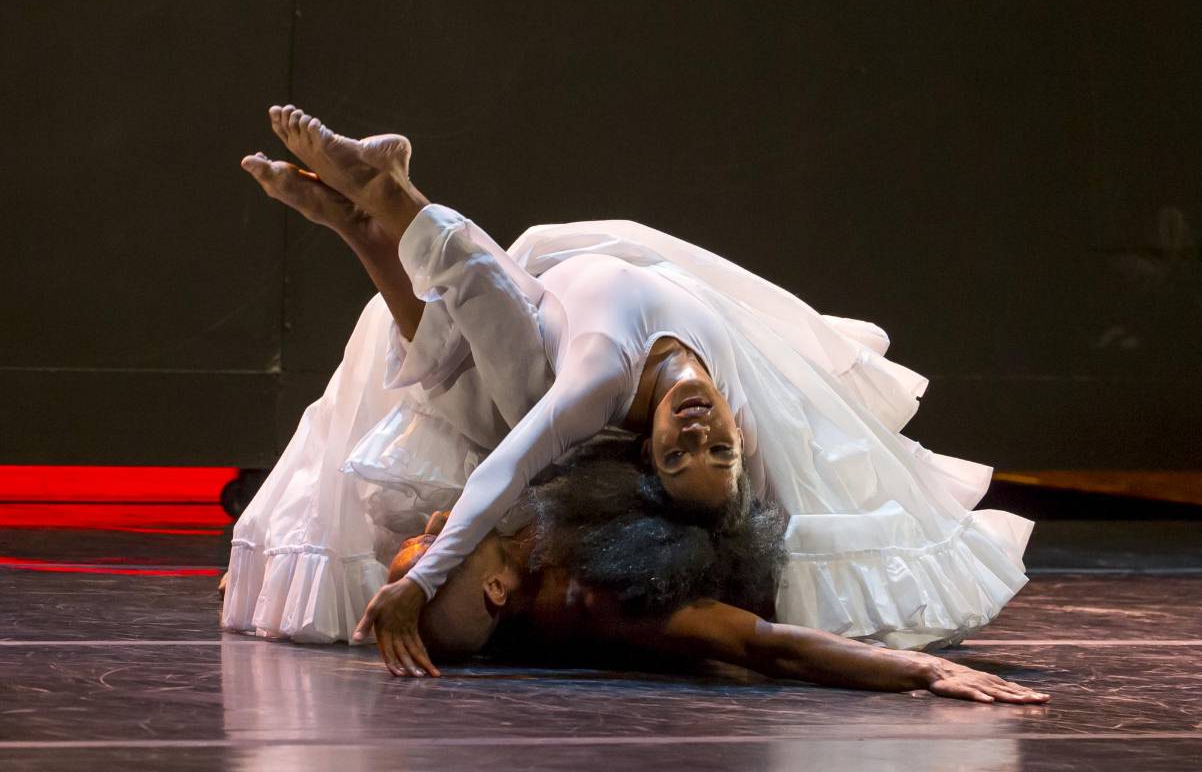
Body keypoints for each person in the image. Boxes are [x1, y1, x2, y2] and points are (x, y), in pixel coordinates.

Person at [224, 105, 1032, 680]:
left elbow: (502, 471)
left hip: (555, 313)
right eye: (717, 450)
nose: (699, 432)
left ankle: (376, 215)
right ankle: (383, 205)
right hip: (585, 295)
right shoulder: (749, 420)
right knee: (496, 400)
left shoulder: (599, 386)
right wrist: (916, 667)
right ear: (742, 442)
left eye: (679, 455)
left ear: (649, 451)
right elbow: (772, 634)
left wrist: (420, 577)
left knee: (485, 400)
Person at [380, 435, 1048, 705]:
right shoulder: (596, 596)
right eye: (434, 553)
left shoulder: (526, 538)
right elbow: (761, 644)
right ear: (496, 588)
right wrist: (920, 670)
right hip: (790, 551)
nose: (437, 523)